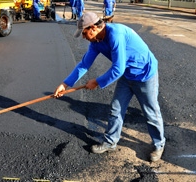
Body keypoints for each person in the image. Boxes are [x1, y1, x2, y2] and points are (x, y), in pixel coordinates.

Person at [54, 12, 166, 162]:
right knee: (116, 109)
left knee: (150, 111)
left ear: (93, 28)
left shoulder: (116, 34)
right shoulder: (96, 42)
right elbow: (84, 64)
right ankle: (110, 142)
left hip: (145, 74)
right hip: (127, 75)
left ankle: (159, 144)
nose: (83, 37)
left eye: (84, 33)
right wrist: (65, 84)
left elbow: (117, 69)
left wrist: (97, 82)